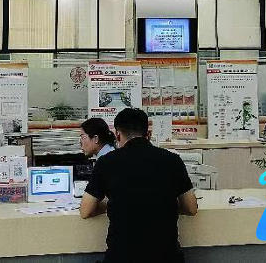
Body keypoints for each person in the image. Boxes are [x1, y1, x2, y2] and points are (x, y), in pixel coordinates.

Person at [80, 108, 198, 263]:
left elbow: (85, 210)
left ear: (118, 135)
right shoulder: (173, 160)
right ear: (148, 134)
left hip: (121, 258)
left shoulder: (106, 162)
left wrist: (112, 203)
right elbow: (191, 208)